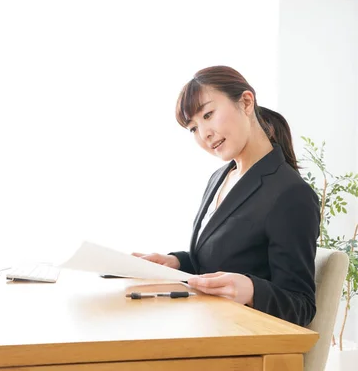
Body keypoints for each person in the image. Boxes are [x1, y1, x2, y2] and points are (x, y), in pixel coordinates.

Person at [132, 65, 320, 327]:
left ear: (245, 102)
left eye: (208, 114)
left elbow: (300, 306)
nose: (204, 134)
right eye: (193, 128)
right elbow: (217, 260)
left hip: (246, 342)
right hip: (207, 324)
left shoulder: (291, 194)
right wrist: (176, 262)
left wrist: (252, 290)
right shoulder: (221, 177)